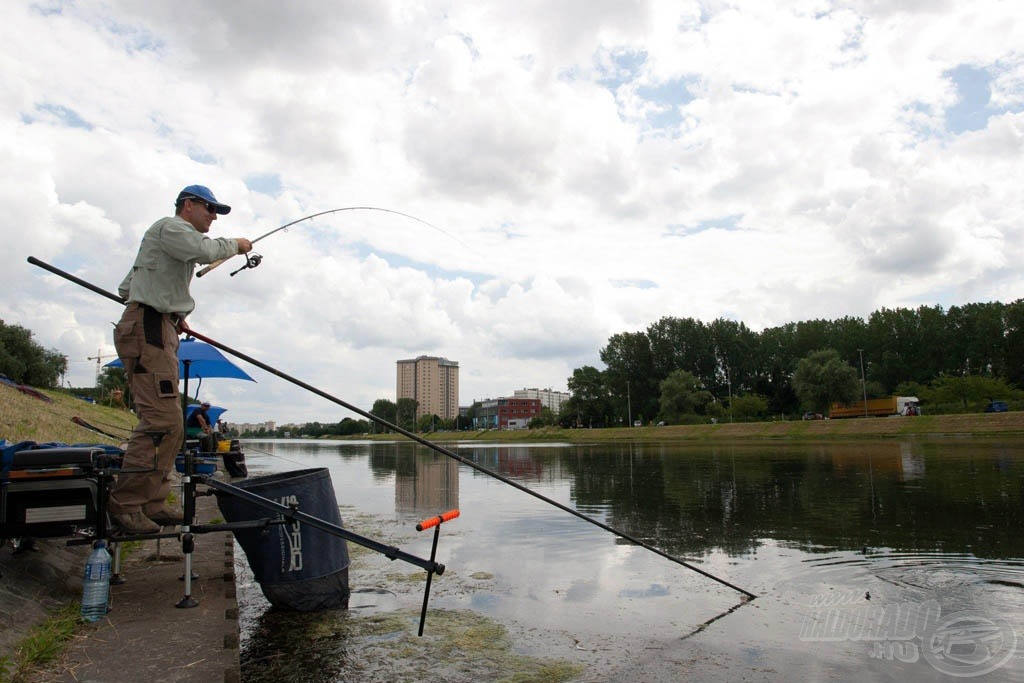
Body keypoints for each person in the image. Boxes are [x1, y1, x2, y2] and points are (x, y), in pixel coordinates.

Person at [108, 185, 253, 533]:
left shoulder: (166, 240)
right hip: (149, 330)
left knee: (172, 423)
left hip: (159, 327)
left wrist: (171, 311)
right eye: (210, 208)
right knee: (161, 421)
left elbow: (127, 288)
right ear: (188, 205)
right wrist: (237, 245)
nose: (214, 216)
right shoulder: (172, 228)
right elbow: (202, 251)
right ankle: (126, 505)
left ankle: (152, 503)